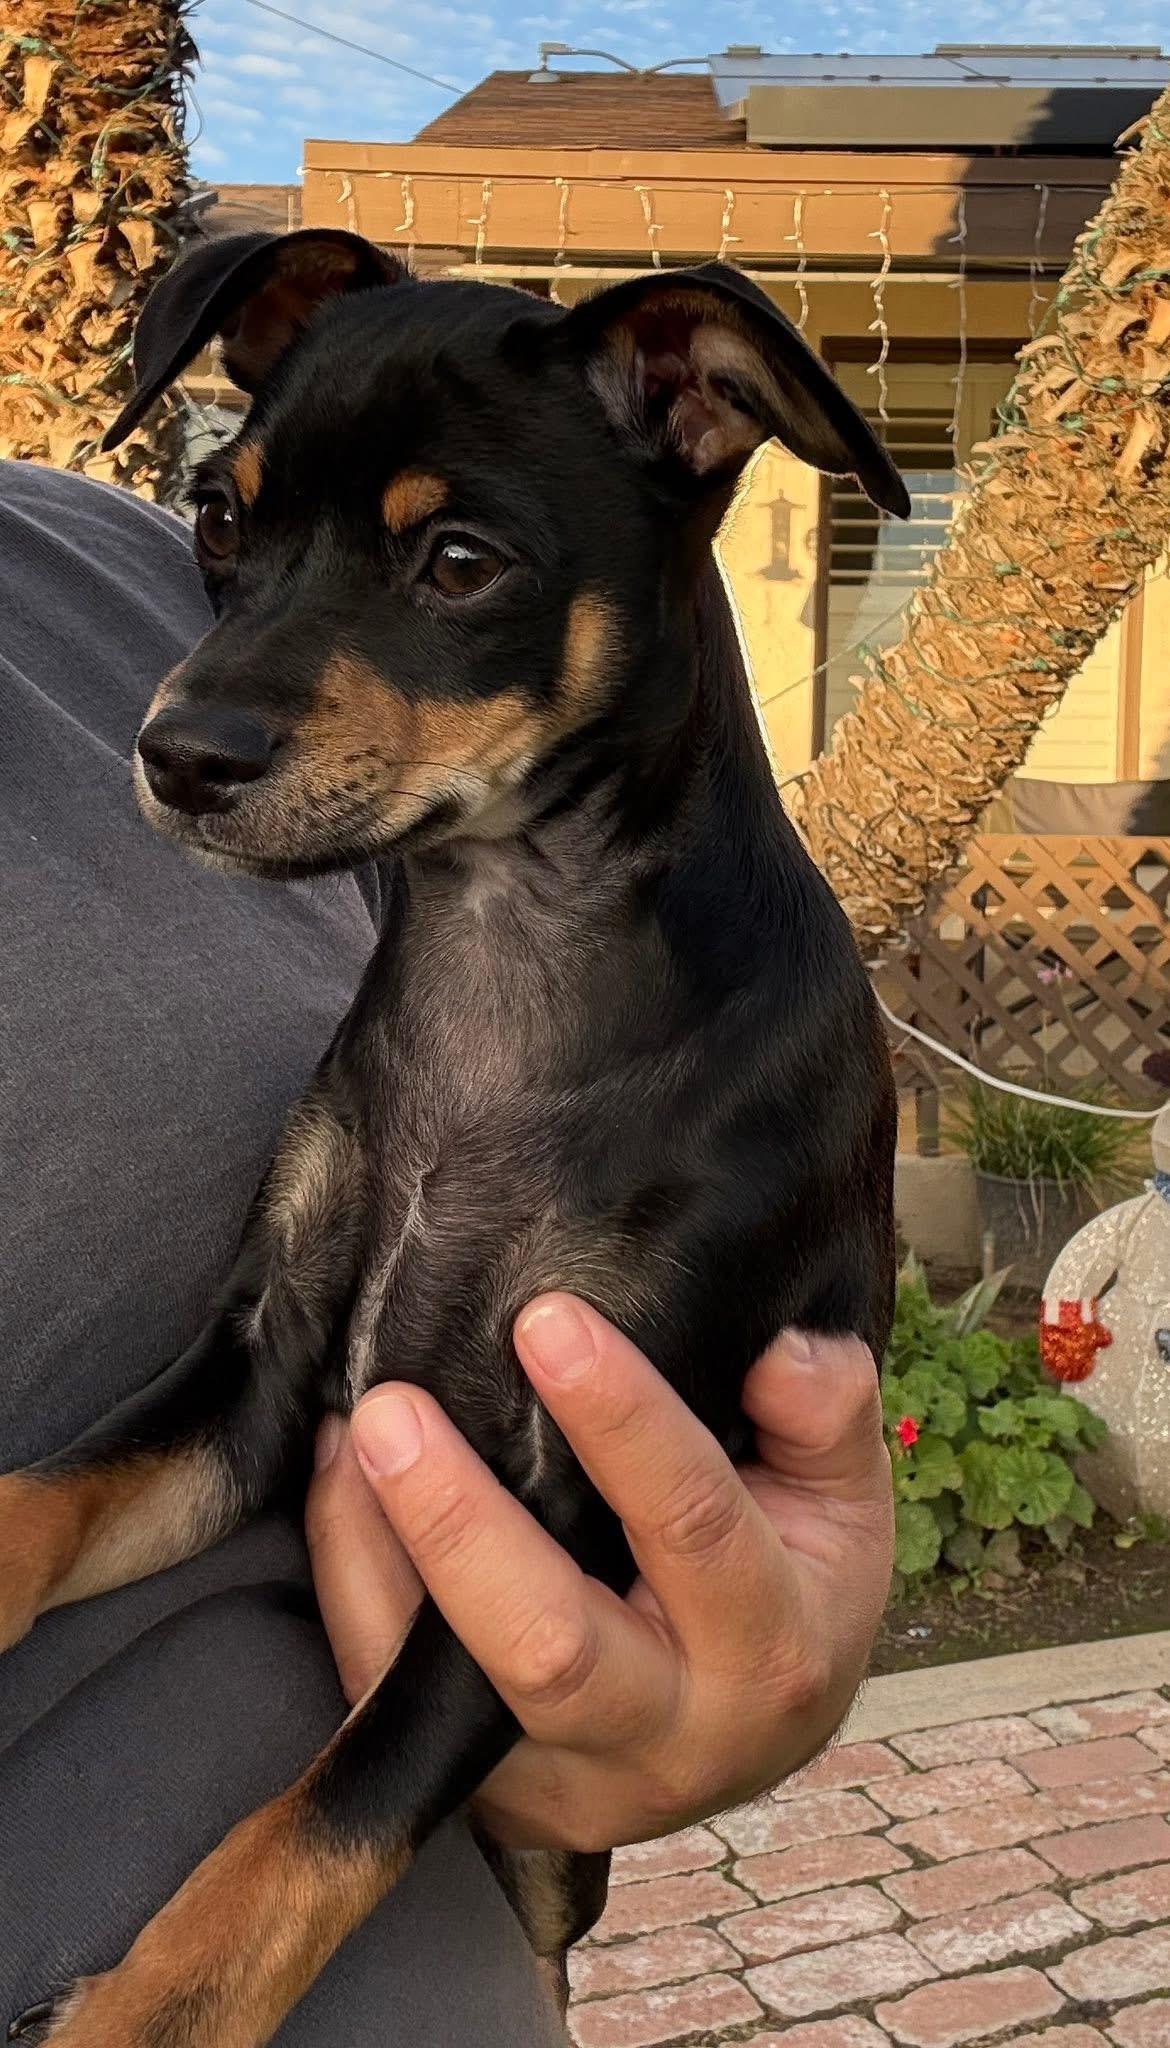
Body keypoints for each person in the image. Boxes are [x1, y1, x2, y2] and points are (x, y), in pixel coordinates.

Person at [0, 457, 893, 2042]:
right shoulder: (212, 637)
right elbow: (251, 1384)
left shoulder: (103, 576)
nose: (211, 700)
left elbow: (589, 1555)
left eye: (457, 563)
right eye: (239, 531)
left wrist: (733, 1671)